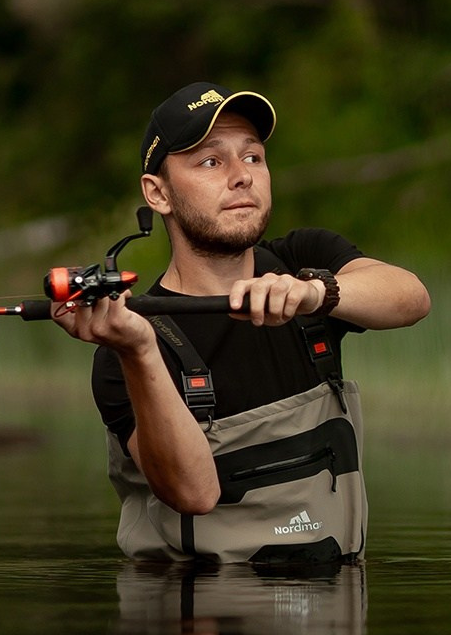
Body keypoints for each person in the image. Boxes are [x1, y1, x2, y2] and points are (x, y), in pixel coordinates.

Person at [54, 82, 430, 562]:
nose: (242, 176)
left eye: (253, 157)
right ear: (158, 193)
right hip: (193, 601)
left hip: (336, 598)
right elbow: (192, 494)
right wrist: (139, 350)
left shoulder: (305, 258)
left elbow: (412, 298)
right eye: (211, 162)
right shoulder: (125, 349)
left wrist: (316, 293)